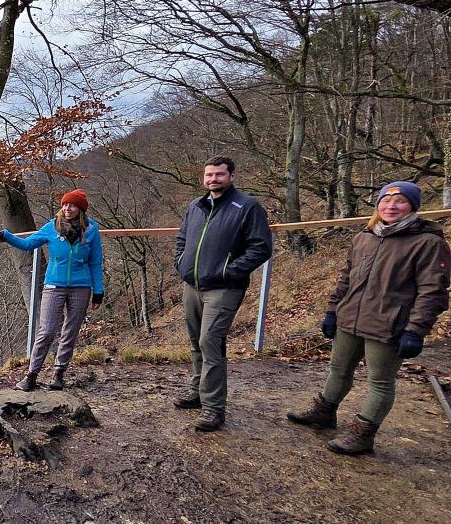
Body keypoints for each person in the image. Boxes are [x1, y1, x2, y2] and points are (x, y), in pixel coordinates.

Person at [287, 181, 450, 455]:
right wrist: (332, 310)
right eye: (386, 200)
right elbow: (346, 277)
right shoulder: (365, 237)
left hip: (390, 324)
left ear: (412, 206)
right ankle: (324, 412)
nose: (391, 206)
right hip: (350, 317)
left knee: (380, 381)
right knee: (338, 370)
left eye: (400, 201)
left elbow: (433, 291)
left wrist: (415, 330)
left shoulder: (428, 243)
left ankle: (363, 434)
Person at [171, 155, 273, 431]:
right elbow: (182, 239)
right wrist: (181, 262)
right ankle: (197, 390)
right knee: (196, 341)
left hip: (224, 288)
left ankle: (213, 408)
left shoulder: (247, 206)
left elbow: (261, 248)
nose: (213, 179)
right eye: (209, 175)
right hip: (192, 284)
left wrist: (229, 270)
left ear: (231, 176)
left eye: (219, 174)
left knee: (210, 342)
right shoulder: (196, 205)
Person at [0, 189, 104, 391]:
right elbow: (28, 244)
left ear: (80, 209)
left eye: (72, 205)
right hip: (54, 286)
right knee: (47, 331)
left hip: (81, 287)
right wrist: (5, 235)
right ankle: (31, 375)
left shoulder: (92, 230)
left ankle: (59, 373)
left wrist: (98, 292)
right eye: (65, 204)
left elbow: (95, 262)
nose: (67, 208)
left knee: (70, 332)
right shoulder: (52, 226)